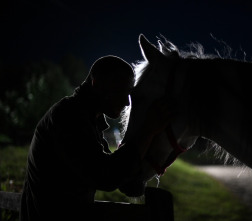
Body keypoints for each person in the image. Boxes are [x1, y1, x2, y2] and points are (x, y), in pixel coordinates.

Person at [20, 55, 172, 221]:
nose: (127, 103)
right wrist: (147, 131)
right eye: (122, 90)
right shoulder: (68, 118)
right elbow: (105, 176)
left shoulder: (88, 121)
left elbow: (128, 185)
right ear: (98, 84)